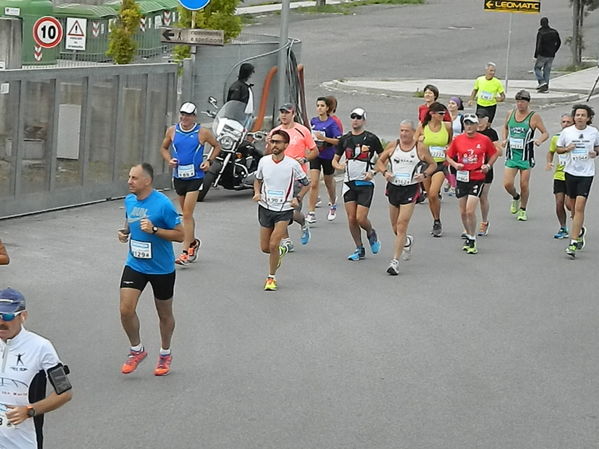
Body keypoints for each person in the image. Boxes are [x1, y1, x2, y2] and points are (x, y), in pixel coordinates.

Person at [117, 163, 184, 376]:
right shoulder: (129, 200)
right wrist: (125, 232)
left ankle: (165, 353)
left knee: (164, 314)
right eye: (129, 177)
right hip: (135, 263)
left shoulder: (163, 204)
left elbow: (181, 235)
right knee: (125, 309)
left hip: (161, 268)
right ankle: (136, 350)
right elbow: (131, 221)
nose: (129, 181)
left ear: (147, 181)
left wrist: (155, 230)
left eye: (134, 178)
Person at [0, 287, 73, 449]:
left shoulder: (41, 347)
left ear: (23, 316)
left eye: (7, 316)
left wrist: (29, 410)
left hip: (22, 442)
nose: (1, 322)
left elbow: (65, 393)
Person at [160, 102, 221, 266]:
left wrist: (209, 161)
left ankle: (185, 252)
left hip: (196, 177)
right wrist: (169, 160)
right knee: (186, 214)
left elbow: (217, 147)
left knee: (187, 214)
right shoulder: (172, 131)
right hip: (179, 176)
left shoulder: (202, 132)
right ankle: (193, 243)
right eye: (182, 114)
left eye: (188, 115)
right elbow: (164, 148)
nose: (184, 118)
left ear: (194, 116)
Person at [375, 120, 436, 275]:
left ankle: (394, 262)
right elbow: (380, 161)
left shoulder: (419, 148)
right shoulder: (393, 145)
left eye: (407, 131)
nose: (403, 134)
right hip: (394, 188)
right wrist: (385, 172)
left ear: (413, 132)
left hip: (410, 189)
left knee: (402, 225)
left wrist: (424, 175)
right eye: (401, 130)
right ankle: (407, 241)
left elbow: (433, 165)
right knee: (395, 228)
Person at [253, 129, 310, 291]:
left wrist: (297, 198)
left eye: (278, 142)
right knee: (265, 247)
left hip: (284, 210)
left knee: (272, 244)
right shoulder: (264, 161)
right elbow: (258, 180)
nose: (274, 145)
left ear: (285, 145)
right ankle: (281, 250)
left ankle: (271, 278)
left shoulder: (292, 164)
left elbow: (307, 183)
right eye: (272, 142)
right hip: (265, 207)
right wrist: (257, 192)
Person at [333, 107, 384, 260]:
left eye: (359, 117)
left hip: (365, 183)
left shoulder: (371, 138)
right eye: (353, 117)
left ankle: (370, 232)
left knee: (361, 218)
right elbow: (334, 160)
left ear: (364, 120)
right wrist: (339, 166)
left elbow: (383, 159)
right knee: (351, 218)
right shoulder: (345, 139)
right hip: (349, 182)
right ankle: (359, 248)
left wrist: (373, 172)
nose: (355, 120)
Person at [266, 103, 318, 250]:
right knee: (279, 210)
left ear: (293, 114)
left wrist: (305, 159)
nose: (283, 115)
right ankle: (286, 240)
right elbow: (269, 153)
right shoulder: (275, 132)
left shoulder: (302, 131)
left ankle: (303, 223)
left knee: (291, 212)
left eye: (287, 113)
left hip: (297, 177)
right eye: (282, 112)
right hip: (279, 176)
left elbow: (314, 151)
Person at [446, 113, 498, 254]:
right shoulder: (458, 140)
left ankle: (473, 238)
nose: (468, 126)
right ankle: (469, 235)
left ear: (476, 125)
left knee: (470, 210)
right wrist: (455, 164)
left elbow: (494, 153)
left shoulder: (484, 139)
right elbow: (449, 156)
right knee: (463, 212)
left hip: (477, 176)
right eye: (466, 124)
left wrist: (488, 165)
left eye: (471, 124)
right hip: (462, 177)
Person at [556, 104, 599, 258]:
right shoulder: (567, 132)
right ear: (574, 117)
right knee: (572, 208)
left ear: (588, 118)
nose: (580, 117)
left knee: (580, 207)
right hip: (570, 172)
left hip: (586, 174)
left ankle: (573, 242)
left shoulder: (593, 132)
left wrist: (596, 152)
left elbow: (598, 147)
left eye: (583, 115)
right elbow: (558, 148)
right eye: (577, 115)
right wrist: (567, 149)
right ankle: (579, 230)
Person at [501, 90, 549, 221]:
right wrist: (504, 139)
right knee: (507, 184)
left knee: (524, 184)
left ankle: (523, 209)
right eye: (518, 101)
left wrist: (539, 140)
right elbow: (505, 127)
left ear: (528, 102)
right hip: (512, 154)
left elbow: (545, 133)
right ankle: (516, 197)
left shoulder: (534, 116)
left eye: (522, 102)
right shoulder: (510, 114)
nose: (520, 104)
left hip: (526, 156)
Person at [415, 102, 453, 237]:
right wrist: (419, 140)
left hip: (440, 165)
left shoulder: (447, 126)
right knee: (431, 197)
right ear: (432, 114)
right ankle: (436, 220)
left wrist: (448, 148)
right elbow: (414, 143)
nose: (444, 116)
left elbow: (450, 141)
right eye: (441, 114)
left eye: (444, 113)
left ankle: (437, 221)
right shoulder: (423, 127)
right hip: (426, 165)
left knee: (432, 193)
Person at [307, 97, 342, 224]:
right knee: (314, 183)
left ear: (327, 108)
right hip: (316, 154)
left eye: (322, 105)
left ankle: (333, 203)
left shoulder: (332, 123)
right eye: (318, 105)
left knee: (328, 182)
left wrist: (324, 139)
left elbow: (338, 140)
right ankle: (311, 213)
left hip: (328, 155)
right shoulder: (314, 121)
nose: (319, 108)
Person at [546, 113, 574, 239]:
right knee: (559, 203)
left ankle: (577, 224)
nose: (565, 124)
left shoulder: (576, 138)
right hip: (559, 175)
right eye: (563, 122)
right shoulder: (556, 138)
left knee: (569, 205)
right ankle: (563, 227)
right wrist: (549, 162)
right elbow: (551, 152)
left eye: (568, 122)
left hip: (573, 174)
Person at [475, 109, 503, 236]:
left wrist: (489, 148)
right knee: (471, 197)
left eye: (482, 119)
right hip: (471, 168)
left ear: (488, 120)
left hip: (486, 169)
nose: (480, 122)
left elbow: (499, 152)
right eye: (478, 118)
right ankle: (468, 225)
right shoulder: (471, 131)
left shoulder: (491, 133)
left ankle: (484, 222)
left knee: (482, 197)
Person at [534, 17, 561, 93]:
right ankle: (546, 87)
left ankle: (542, 82)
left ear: (541, 24)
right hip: (551, 55)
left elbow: (538, 45)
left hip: (542, 54)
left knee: (537, 68)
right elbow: (559, 42)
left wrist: (536, 55)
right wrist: (554, 50)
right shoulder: (554, 32)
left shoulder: (541, 33)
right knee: (547, 71)